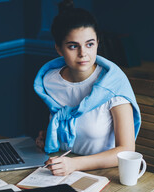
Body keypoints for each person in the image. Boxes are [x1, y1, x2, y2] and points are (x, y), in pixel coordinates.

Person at [34, 0, 141, 176]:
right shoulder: (49, 82)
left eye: (90, 44)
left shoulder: (113, 86)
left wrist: (74, 165)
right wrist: (50, 135)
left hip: (104, 174)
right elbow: (73, 129)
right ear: (59, 49)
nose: (83, 53)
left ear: (98, 43)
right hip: (60, 168)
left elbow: (126, 151)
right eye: (73, 46)